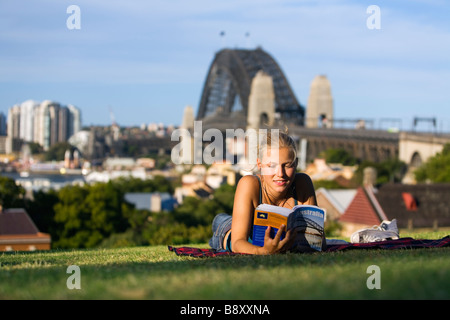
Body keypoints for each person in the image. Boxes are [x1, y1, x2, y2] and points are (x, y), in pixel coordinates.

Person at [209, 131, 319, 255]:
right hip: (227, 232)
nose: (280, 174)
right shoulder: (249, 183)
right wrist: (265, 251)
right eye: (271, 165)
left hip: (250, 224)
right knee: (223, 221)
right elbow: (237, 243)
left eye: (287, 165)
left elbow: (316, 241)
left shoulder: (303, 183)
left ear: (296, 163)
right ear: (259, 164)